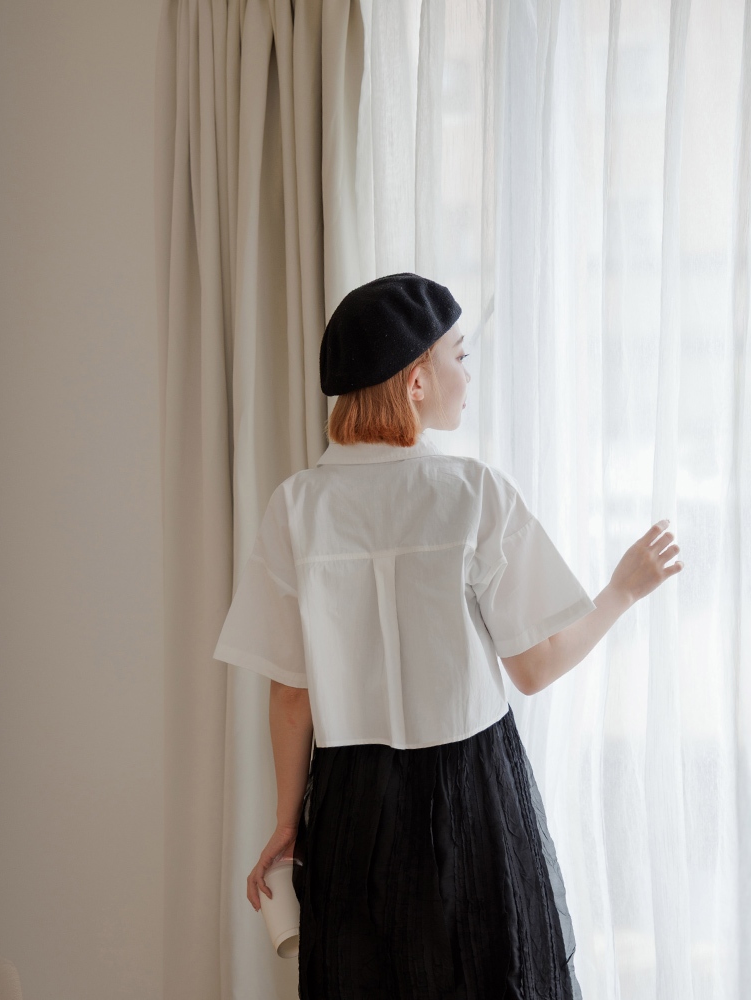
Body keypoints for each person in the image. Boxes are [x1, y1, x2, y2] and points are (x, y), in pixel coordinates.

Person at [212, 273, 683, 999]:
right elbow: (534, 667)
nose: (469, 372)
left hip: (350, 801)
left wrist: (286, 820)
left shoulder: (296, 507)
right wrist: (620, 590)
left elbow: (290, 695)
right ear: (416, 382)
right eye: (459, 355)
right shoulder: (472, 492)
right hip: (472, 790)